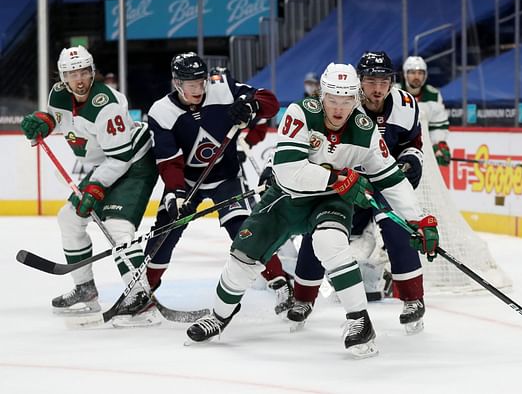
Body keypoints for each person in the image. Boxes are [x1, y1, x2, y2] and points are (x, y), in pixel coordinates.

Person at [185, 62, 439, 358]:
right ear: (322, 95)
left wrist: (418, 220)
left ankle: (360, 321)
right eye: (333, 99)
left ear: (356, 98)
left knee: (329, 242)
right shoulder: (300, 113)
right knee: (244, 252)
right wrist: (338, 179)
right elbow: (291, 171)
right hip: (286, 198)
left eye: (346, 100)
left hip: (330, 200)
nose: (338, 108)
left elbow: (391, 177)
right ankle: (218, 316)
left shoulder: (365, 129)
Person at [288, 51, 432, 335]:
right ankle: (303, 297)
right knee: (321, 230)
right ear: (358, 81)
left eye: (384, 81)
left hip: (384, 181)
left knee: (398, 228)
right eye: (370, 81)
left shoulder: (405, 104)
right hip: (346, 182)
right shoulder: (341, 105)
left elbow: (412, 143)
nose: (377, 89)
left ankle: (413, 299)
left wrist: (412, 160)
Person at [143, 53, 293, 315]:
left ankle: (280, 283)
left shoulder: (222, 86)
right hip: (187, 182)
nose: (198, 89)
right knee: (164, 233)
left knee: (246, 232)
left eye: (201, 83)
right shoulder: (161, 112)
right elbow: (169, 161)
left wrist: (252, 106)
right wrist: (176, 194)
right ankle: (144, 289)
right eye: (191, 85)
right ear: (177, 83)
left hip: (227, 178)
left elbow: (270, 102)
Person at [19, 45, 158, 325]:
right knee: (69, 219)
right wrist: (45, 124)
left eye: (83, 72)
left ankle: (140, 296)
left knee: (118, 228)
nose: (79, 79)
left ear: (92, 72)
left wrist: (95, 188)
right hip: (104, 163)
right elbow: (60, 121)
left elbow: (121, 158)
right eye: (72, 74)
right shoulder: (59, 94)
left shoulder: (107, 105)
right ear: (62, 77)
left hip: (134, 163)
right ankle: (86, 289)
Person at [402, 56, 451, 166]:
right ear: (405, 74)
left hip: (424, 152)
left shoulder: (433, 95)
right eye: (412, 72)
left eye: (420, 73)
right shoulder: (395, 91)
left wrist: (438, 145)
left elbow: (437, 125)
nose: (416, 76)